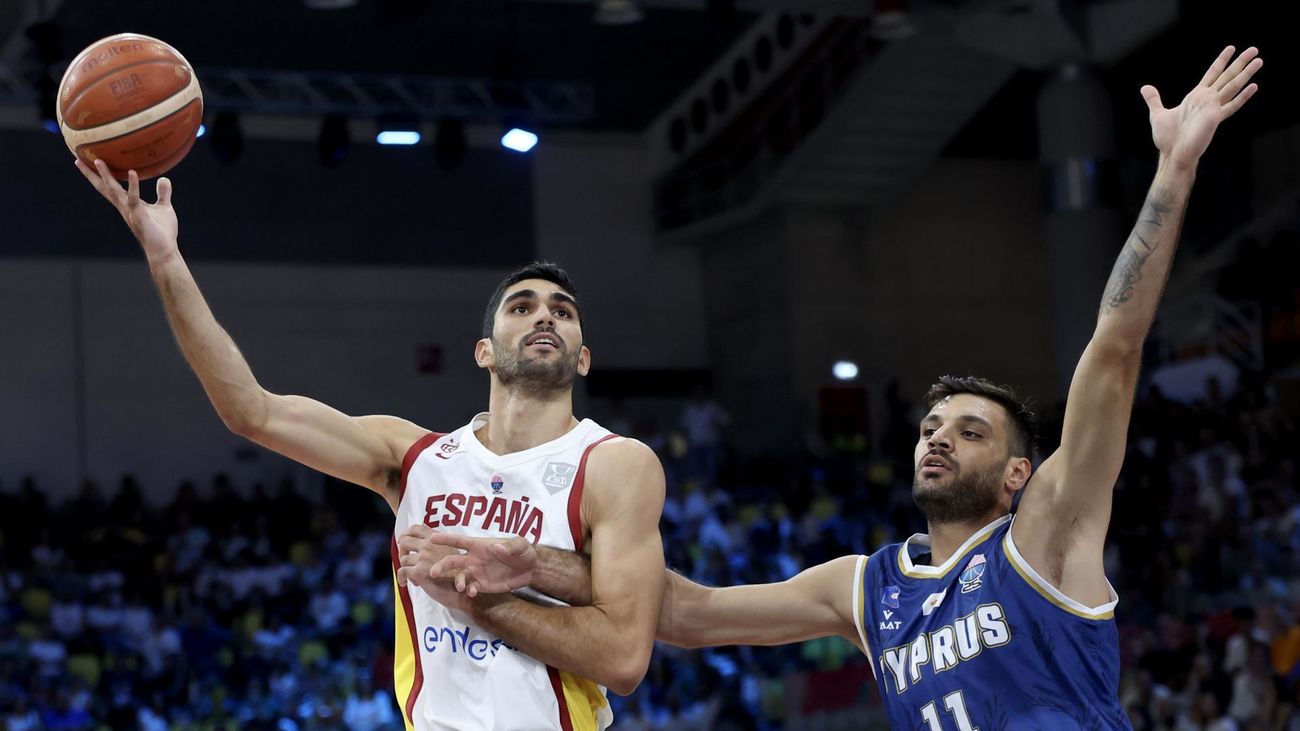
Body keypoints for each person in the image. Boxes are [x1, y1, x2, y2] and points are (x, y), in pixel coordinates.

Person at [398, 45, 1263, 729]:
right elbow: (684, 613)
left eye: (968, 430)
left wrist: (1173, 171)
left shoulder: (1047, 536)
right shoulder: (868, 586)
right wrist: (526, 562)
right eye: (932, 423)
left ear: (1017, 475)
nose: (936, 435)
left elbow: (1112, 347)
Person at [75, 153, 667, 731]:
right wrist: (165, 256)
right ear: (483, 351)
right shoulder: (411, 455)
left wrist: (477, 599)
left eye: (562, 312)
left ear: (584, 358)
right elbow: (251, 410)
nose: (545, 317)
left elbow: (621, 659)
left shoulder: (615, 464)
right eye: (523, 306)